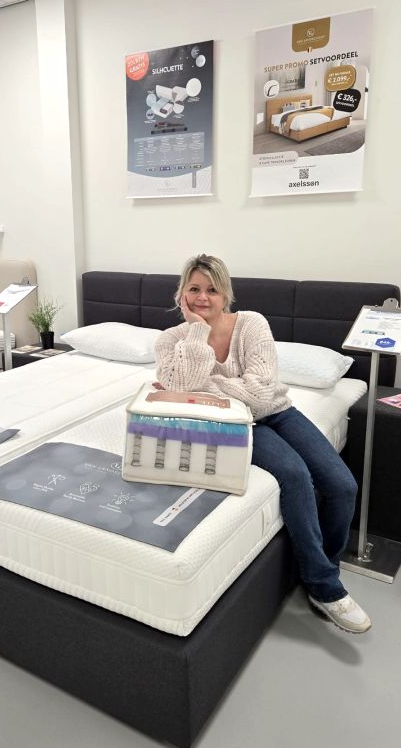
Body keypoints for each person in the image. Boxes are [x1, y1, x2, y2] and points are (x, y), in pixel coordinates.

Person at [155, 254, 371, 633]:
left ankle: (325, 565)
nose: (203, 297)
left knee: (342, 485)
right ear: (181, 294)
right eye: (194, 288)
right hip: (231, 423)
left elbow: (259, 393)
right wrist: (196, 334)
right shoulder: (171, 339)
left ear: (226, 294)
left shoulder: (252, 324)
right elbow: (184, 385)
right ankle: (325, 588)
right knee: (295, 476)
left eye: (212, 290)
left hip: (277, 412)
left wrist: (207, 385)